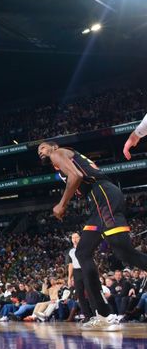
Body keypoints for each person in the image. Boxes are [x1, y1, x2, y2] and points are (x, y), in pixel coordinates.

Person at [38, 141, 147, 330]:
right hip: (97, 202)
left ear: (53, 146)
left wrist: (62, 204)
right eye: (38, 151)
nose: (40, 151)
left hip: (104, 195)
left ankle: (106, 315)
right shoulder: (59, 161)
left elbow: (76, 176)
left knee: (125, 252)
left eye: (43, 148)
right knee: (82, 252)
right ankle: (104, 314)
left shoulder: (58, 153)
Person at [66, 232, 93, 322]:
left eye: (76, 237)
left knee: (90, 292)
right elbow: (70, 265)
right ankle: (87, 315)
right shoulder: (70, 251)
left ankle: (96, 313)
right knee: (80, 294)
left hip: (85, 270)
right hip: (77, 272)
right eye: (73, 238)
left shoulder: (85, 248)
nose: (74, 239)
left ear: (80, 238)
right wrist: (69, 278)